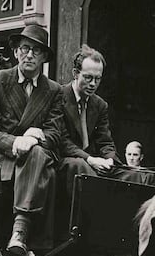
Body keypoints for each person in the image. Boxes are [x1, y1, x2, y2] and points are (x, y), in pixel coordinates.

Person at [0, 23, 63, 256]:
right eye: (24, 48)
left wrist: (35, 137)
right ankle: (25, 237)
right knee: (39, 161)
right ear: (15, 53)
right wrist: (15, 142)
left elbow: (56, 135)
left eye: (36, 50)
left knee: (39, 155)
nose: (29, 54)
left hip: (34, 160)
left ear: (44, 57)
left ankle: (20, 234)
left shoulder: (53, 90)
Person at [57, 44, 146, 199]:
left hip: (93, 161)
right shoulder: (58, 97)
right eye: (88, 77)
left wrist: (110, 159)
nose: (93, 84)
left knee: (133, 175)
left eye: (98, 79)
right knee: (81, 167)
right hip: (66, 161)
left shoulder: (99, 105)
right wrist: (90, 159)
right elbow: (62, 141)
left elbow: (105, 141)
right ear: (75, 73)